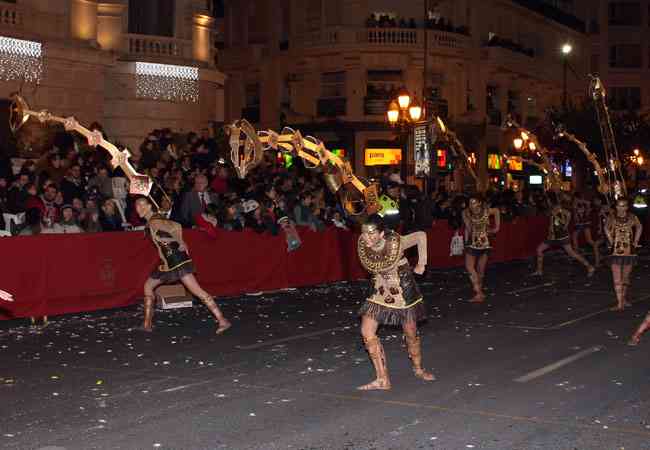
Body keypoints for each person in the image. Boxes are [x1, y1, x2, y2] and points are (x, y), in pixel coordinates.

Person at [356, 214, 434, 391]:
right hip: (379, 289)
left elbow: (421, 235)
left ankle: (418, 368)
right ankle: (382, 379)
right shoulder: (364, 244)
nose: (366, 237)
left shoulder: (396, 242)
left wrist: (422, 263)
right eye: (364, 233)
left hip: (402, 289)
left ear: (381, 233)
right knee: (367, 332)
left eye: (371, 233)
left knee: (410, 332)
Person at [134, 196, 231, 334]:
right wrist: (180, 241)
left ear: (149, 206)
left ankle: (222, 320)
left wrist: (179, 242)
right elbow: (175, 226)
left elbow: (174, 228)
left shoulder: (155, 221)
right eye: (137, 206)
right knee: (148, 286)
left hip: (176, 260)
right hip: (168, 262)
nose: (139, 208)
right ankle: (146, 324)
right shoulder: (154, 220)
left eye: (142, 204)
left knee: (197, 291)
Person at [533, 193, 594, 277]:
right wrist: (550, 231)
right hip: (553, 236)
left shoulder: (561, 210)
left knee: (572, 253)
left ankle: (589, 267)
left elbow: (567, 218)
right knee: (539, 250)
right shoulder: (552, 209)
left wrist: (562, 221)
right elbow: (551, 222)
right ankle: (539, 271)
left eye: (548, 200)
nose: (547, 202)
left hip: (562, 236)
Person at [604, 197, 642, 312]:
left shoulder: (632, 217)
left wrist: (636, 241)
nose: (622, 208)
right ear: (616, 207)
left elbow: (639, 226)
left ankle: (623, 299)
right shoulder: (611, 217)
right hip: (615, 251)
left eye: (624, 205)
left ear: (627, 207)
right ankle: (620, 304)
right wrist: (611, 240)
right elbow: (606, 228)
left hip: (629, 251)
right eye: (619, 205)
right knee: (617, 279)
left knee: (625, 278)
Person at [462, 195, 501, 303]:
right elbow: (468, 228)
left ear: (479, 203)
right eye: (470, 203)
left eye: (474, 202)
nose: (472, 205)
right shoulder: (466, 212)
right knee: (469, 267)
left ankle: (479, 292)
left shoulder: (486, 210)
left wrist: (496, 228)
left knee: (480, 270)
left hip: (485, 243)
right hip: (473, 242)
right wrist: (466, 241)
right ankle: (478, 292)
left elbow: (497, 211)